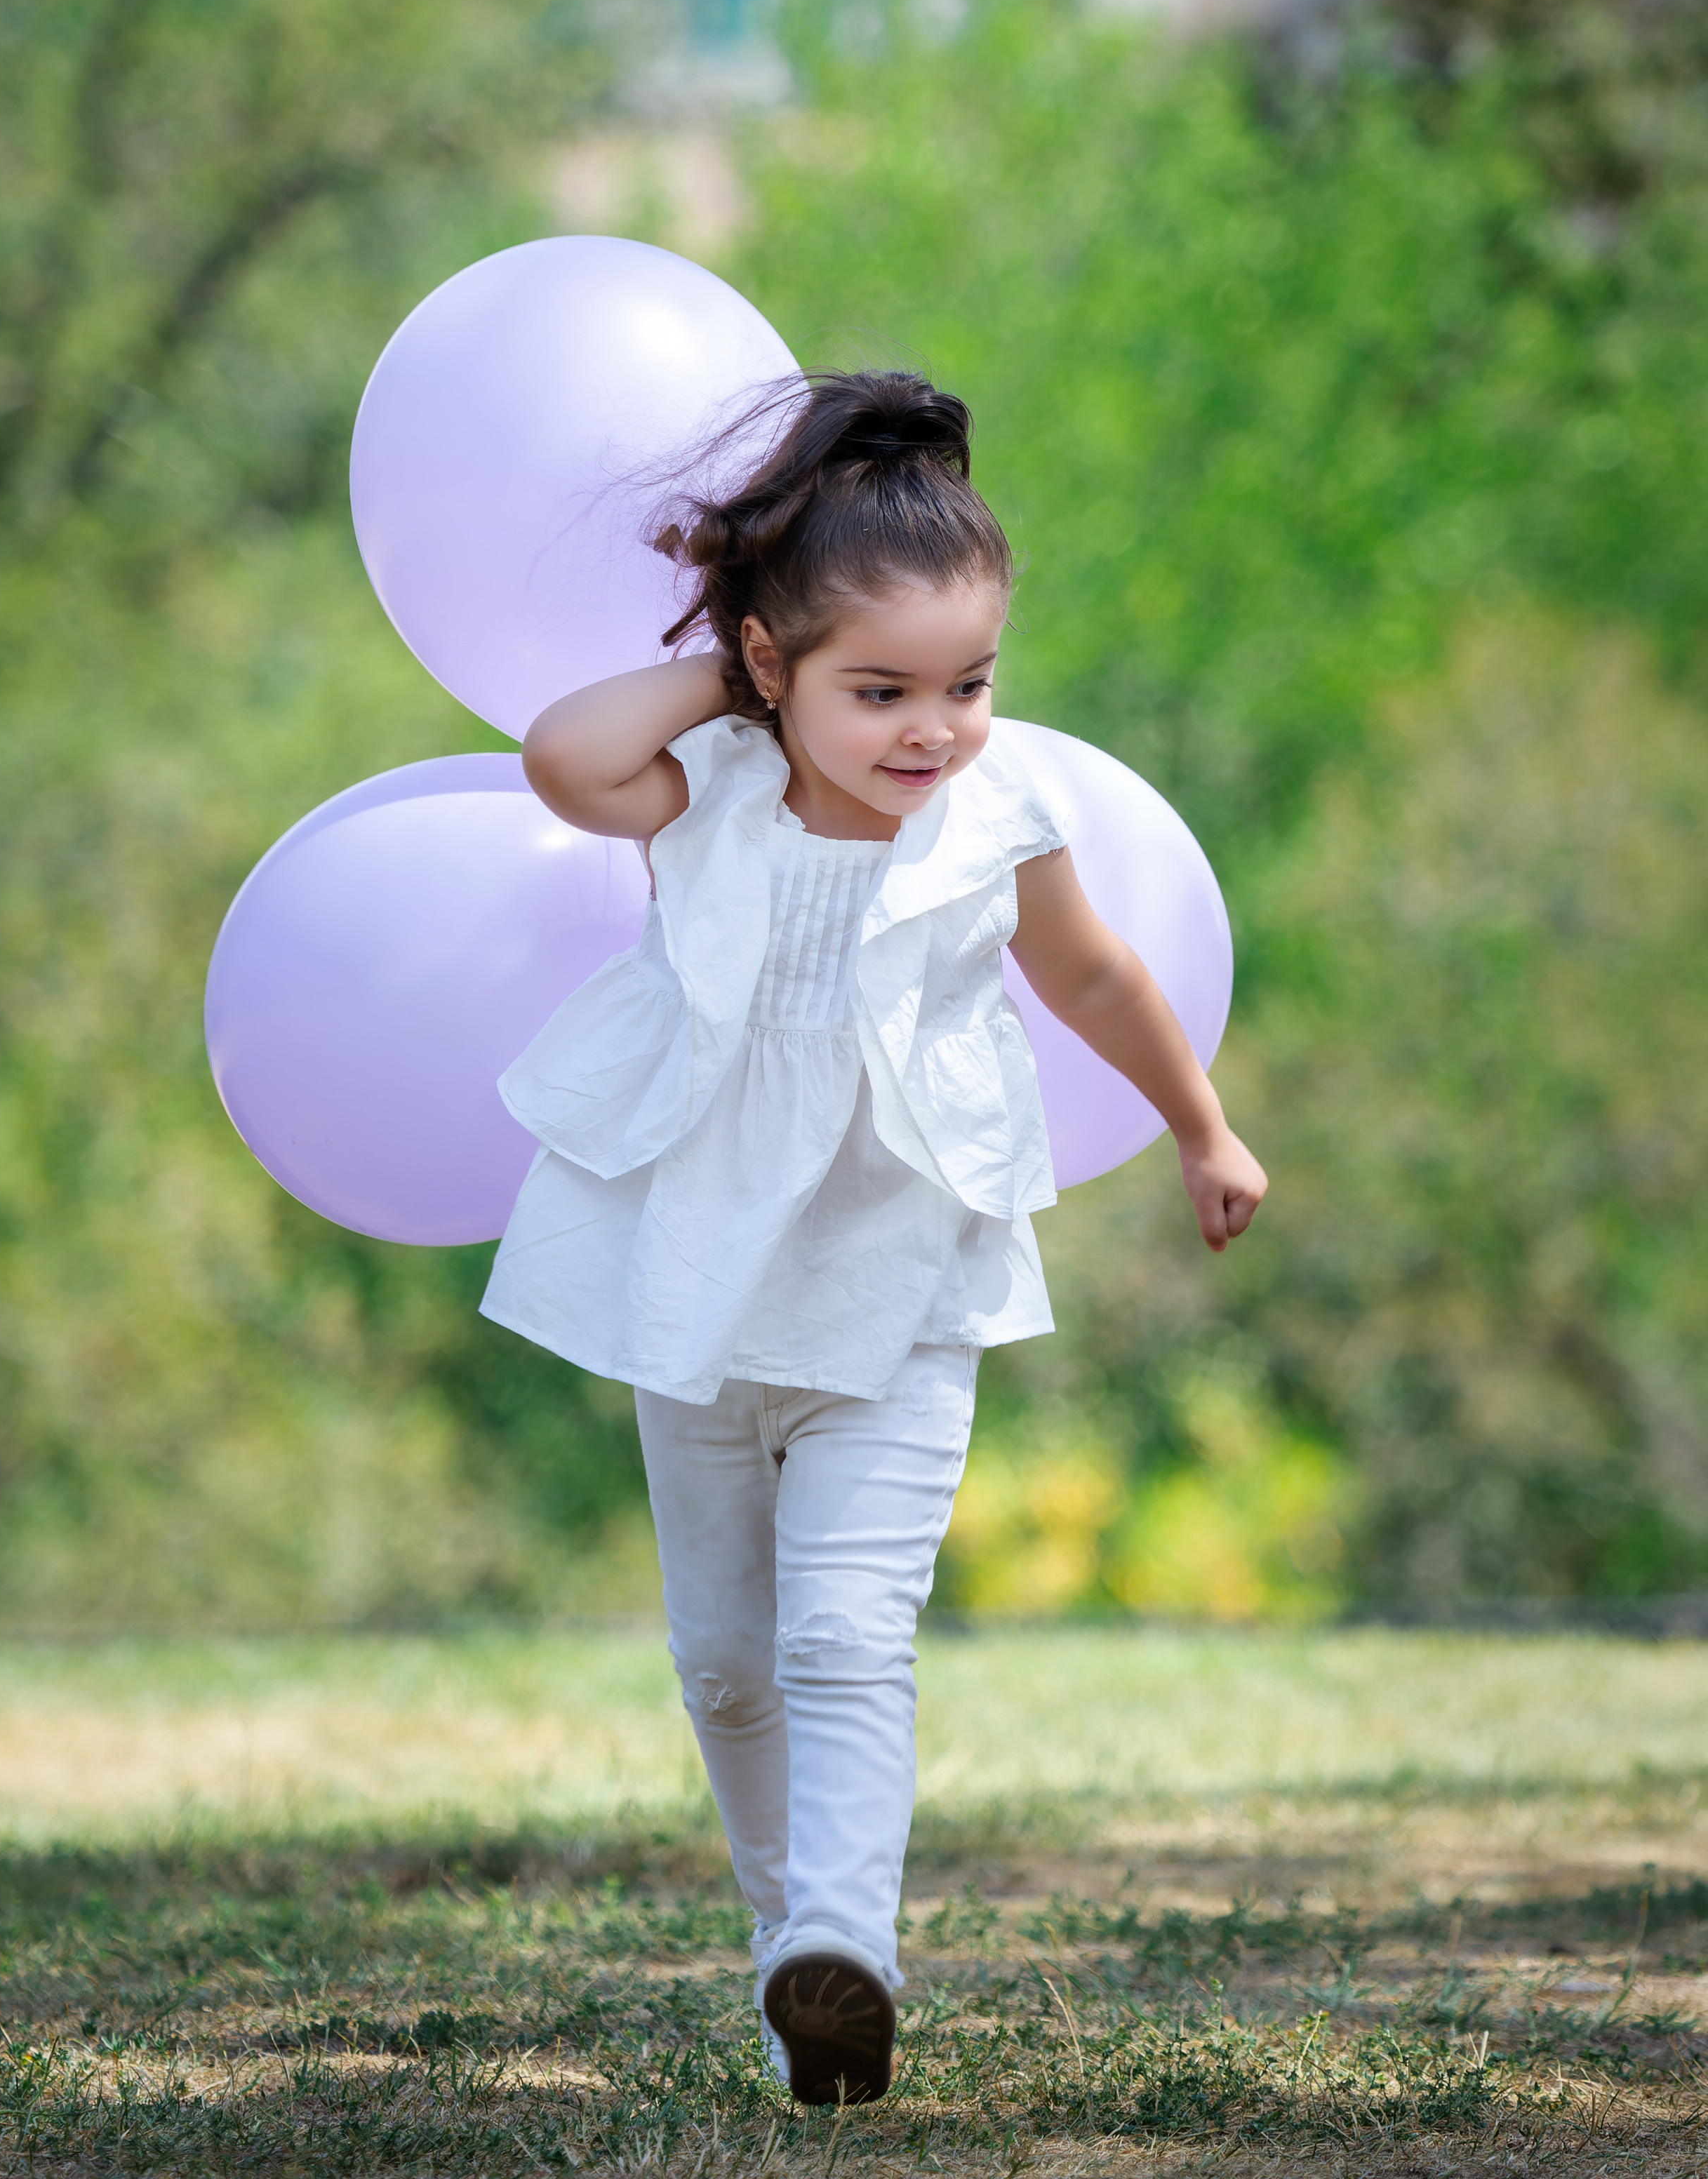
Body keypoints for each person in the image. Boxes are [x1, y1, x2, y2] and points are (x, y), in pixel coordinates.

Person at [480, 371, 1267, 2107]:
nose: (933, 728)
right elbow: (560, 755)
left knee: (848, 1630)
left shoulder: (994, 814)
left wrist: (1202, 1128)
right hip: (692, 1269)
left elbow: (1089, 975)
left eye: (969, 684)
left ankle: (847, 1941)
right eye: (881, 689)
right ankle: (794, 1961)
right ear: (778, 670)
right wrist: (740, 653)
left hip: (900, 1272)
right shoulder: (709, 786)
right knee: (724, 1661)